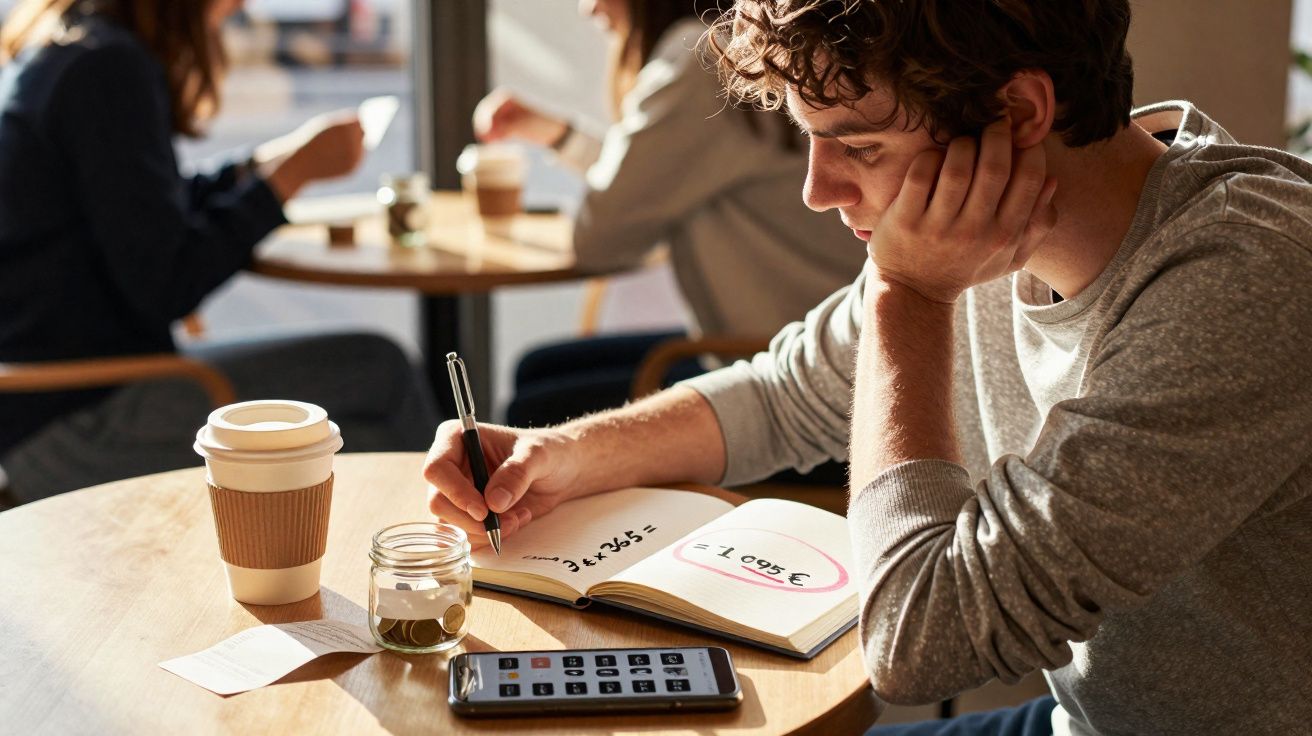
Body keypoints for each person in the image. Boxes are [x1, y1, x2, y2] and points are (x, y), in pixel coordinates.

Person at [424, 0, 1312, 734]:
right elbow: (783, 395)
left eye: (860, 146)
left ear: (1020, 114)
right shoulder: (982, 230)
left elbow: (919, 642)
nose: (819, 190)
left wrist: (907, 298)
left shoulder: (1243, 280)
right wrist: (564, 454)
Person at [0, 0, 436, 505]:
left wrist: (257, 168)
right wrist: (285, 181)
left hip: (44, 406)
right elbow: (167, 283)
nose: (239, 5)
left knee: (367, 428)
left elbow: (142, 209)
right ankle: (454, 554)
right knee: (379, 371)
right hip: (82, 423)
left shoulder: (68, 51)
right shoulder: (107, 69)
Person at [472, 0, 863, 427]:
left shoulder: (699, 59)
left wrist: (565, 141)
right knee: (537, 370)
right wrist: (560, 136)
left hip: (790, 375)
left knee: (532, 410)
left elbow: (598, 240)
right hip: (811, 351)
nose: (587, 9)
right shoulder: (730, 46)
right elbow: (663, 179)